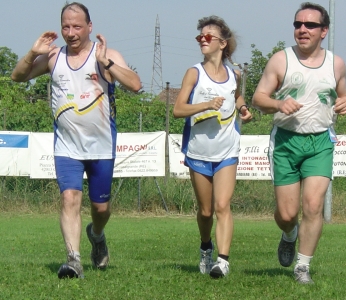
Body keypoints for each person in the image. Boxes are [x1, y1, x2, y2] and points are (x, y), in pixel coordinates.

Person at [11, 2, 141, 279]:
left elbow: (135, 85)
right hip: (66, 146)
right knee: (69, 198)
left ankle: (97, 234)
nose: (71, 32)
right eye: (66, 27)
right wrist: (33, 52)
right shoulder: (53, 57)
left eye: (77, 26)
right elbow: (17, 76)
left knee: (100, 208)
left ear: (90, 27)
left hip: (101, 146)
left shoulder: (104, 54)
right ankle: (74, 260)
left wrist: (107, 63)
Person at [252, 2, 346, 284]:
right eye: (298, 25)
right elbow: (259, 98)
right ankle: (289, 234)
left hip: (320, 141)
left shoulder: (337, 63)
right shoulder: (280, 60)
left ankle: (302, 267)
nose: (302, 30)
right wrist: (278, 103)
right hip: (285, 142)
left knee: (313, 205)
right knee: (287, 213)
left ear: (324, 31)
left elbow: (344, 95)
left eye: (310, 25)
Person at [173, 16, 252, 278]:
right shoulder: (193, 72)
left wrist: (242, 108)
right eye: (200, 37)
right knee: (206, 211)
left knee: (222, 205)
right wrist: (206, 105)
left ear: (222, 43)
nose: (202, 41)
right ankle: (206, 247)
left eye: (208, 37)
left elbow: (236, 93)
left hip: (228, 151)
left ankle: (223, 261)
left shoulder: (235, 74)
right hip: (198, 151)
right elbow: (178, 109)